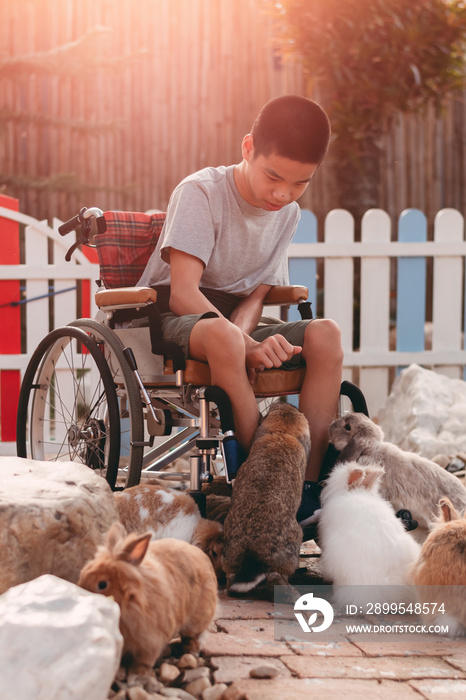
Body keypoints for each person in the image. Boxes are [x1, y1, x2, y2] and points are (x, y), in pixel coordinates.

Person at [137, 95, 343, 526]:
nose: (283, 193)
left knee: (327, 334)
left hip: (230, 323)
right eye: (273, 176)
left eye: (300, 183)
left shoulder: (288, 213)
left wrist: (245, 342)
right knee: (226, 337)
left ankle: (304, 489)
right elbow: (183, 293)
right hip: (174, 313)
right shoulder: (201, 193)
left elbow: (255, 297)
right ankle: (260, 484)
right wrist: (242, 343)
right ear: (247, 148)